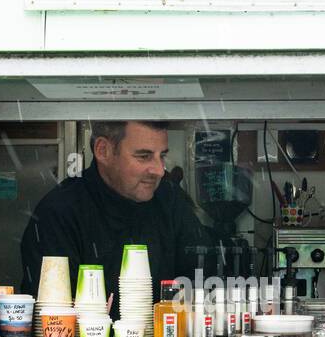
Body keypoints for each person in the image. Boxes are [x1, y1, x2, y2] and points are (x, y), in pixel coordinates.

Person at [19, 120, 213, 318]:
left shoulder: (169, 200)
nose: (159, 170)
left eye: (162, 155)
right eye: (144, 156)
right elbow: (52, 324)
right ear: (103, 151)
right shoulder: (59, 212)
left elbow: (203, 280)